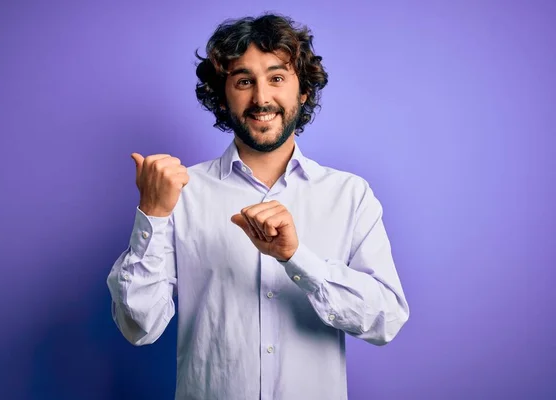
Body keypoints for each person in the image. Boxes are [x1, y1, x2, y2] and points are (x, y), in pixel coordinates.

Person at [106, 13, 409, 400]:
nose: (262, 98)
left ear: (303, 92)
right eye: (244, 81)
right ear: (222, 94)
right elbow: (138, 327)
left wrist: (298, 259)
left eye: (277, 78)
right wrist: (152, 213)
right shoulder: (181, 194)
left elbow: (386, 320)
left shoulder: (350, 195)